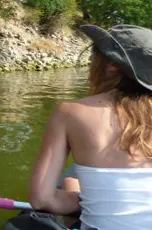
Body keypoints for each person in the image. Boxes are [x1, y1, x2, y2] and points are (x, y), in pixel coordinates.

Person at [28, 24, 152, 230]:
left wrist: (87, 200)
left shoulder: (70, 112)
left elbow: (41, 199)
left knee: (70, 182)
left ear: (112, 65)